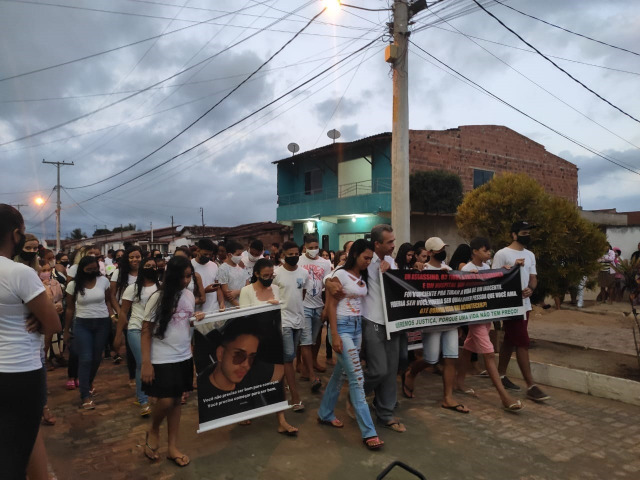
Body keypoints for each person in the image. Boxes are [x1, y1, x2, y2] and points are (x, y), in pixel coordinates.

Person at [0, 205, 61, 480]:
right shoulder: (18, 273)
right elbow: (53, 325)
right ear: (15, 235)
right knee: (14, 453)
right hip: (19, 371)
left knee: (21, 437)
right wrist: (42, 316)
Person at [328, 224, 406, 432]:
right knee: (379, 370)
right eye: (389, 242)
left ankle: (386, 413)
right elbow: (336, 275)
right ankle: (356, 396)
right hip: (370, 320)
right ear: (377, 243)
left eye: (393, 241)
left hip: (392, 322)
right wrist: (329, 283)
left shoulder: (391, 261)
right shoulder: (363, 261)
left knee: (390, 371)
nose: (393, 245)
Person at [318, 239, 384, 450]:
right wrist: (334, 335)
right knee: (357, 377)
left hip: (357, 330)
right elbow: (330, 306)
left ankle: (325, 413)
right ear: (355, 255)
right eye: (365, 257)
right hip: (342, 329)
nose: (368, 261)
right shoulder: (339, 275)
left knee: (341, 374)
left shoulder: (362, 275)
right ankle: (369, 432)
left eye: (370, 258)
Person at [141, 256, 204, 467]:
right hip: (161, 358)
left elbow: (187, 324)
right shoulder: (157, 298)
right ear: (172, 275)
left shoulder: (188, 295)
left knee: (177, 402)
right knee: (166, 400)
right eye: (183, 276)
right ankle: (154, 428)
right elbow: (146, 331)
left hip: (184, 356)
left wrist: (197, 319)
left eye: (189, 276)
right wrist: (146, 363)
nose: (186, 281)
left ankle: (173, 447)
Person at [456, 237, 523, 412]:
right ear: (475, 251)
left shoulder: (487, 268)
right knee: (489, 354)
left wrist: (505, 271)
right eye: (485, 251)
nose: (488, 254)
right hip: (475, 319)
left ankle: (460, 382)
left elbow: (496, 281)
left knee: (468, 348)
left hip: (486, 318)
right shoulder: (468, 269)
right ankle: (504, 397)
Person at [403, 237, 469, 414]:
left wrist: (460, 322)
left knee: (450, 358)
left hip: (450, 322)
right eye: (439, 250)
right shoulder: (422, 270)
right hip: (432, 323)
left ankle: (447, 397)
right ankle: (411, 373)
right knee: (431, 359)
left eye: (443, 249)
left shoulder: (449, 270)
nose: (442, 252)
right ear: (430, 253)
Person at [238, 258, 298, 436]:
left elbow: (279, 317)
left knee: (278, 379)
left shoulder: (276, 289)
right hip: (254, 341)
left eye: (271, 275)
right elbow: (244, 318)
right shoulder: (247, 291)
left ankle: (281, 420)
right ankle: (246, 409)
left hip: (273, 339)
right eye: (265, 275)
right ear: (256, 274)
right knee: (250, 377)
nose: (269, 278)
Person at [493, 221, 550, 402]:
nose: (527, 235)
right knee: (523, 342)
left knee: (510, 340)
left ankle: (500, 375)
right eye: (524, 232)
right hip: (510, 306)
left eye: (528, 232)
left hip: (525, 305)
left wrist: (531, 289)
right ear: (514, 235)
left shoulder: (530, 255)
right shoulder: (502, 254)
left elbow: (533, 278)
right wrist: (511, 269)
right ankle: (531, 385)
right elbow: (495, 278)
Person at [64, 256, 114, 409]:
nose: (92, 272)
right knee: (85, 358)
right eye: (89, 269)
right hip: (82, 323)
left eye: (95, 269)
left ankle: (88, 381)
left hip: (102, 322)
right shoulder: (73, 285)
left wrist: (112, 317)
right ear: (82, 270)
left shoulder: (104, 281)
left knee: (97, 358)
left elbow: (108, 301)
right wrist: (66, 330)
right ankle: (85, 395)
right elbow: (70, 308)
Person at [113, 257, 160, 417]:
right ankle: (143, 400)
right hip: (135, 329)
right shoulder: (132, 288)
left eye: (154, 266)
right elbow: (124, 312)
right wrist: (118, 335)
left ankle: (152, 392)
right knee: (142, 363)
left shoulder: (160, 287)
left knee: (154, 362)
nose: (151, 268)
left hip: (155, 331)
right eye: (147, 265)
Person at [272, 241, 313, 411]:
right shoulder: (276, 274)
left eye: (296, 253)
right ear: (283, 256)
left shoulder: (304, 273)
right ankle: (295, 397)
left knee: (289, 357)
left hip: (299, 319)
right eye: (290, 254)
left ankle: (283, 386)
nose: (294, 257)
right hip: (284, 320)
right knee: (289, 356)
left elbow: (302, 292)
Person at [298, 234, 333, 376]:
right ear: (305, 247)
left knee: (317, 335)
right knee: (304, 338)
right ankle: (302, 365)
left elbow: (328, 285)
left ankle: (313, 360)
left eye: (316, 247)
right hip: (303, 305)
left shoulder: (325, 263)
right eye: (310, 247)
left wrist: (327, 307)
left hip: (319, 304)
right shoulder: (299, 261)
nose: (313, 250)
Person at [110, 246, 142, 377]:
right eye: (132, 257)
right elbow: (112, 296)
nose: (135, 259)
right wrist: (119, 312)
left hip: (142, 310)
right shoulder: (119, 272)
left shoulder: (145, 271)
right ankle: (132, 375)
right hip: (126, 311)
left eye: (138, 257)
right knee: (131, 344)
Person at [191, 239, 224, 314]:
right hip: (198, 313)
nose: (208, 257)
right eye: (205, 254)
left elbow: (218, 287)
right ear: (198, 250)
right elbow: (188, 293)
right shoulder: (190, 266)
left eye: (210, 255)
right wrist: (205, 291)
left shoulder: (214, 265)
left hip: (214, 310)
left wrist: (221, 302)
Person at [218, 240, 249, 309]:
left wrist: (238, 292)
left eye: (241, 254)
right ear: (229, 255)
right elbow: (226, 294)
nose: (240, 257)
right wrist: (239, 306)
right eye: (238, 254)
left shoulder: (242, 266)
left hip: (245, 305)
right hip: (231, 309)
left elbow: (248, 287)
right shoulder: (223, 269)